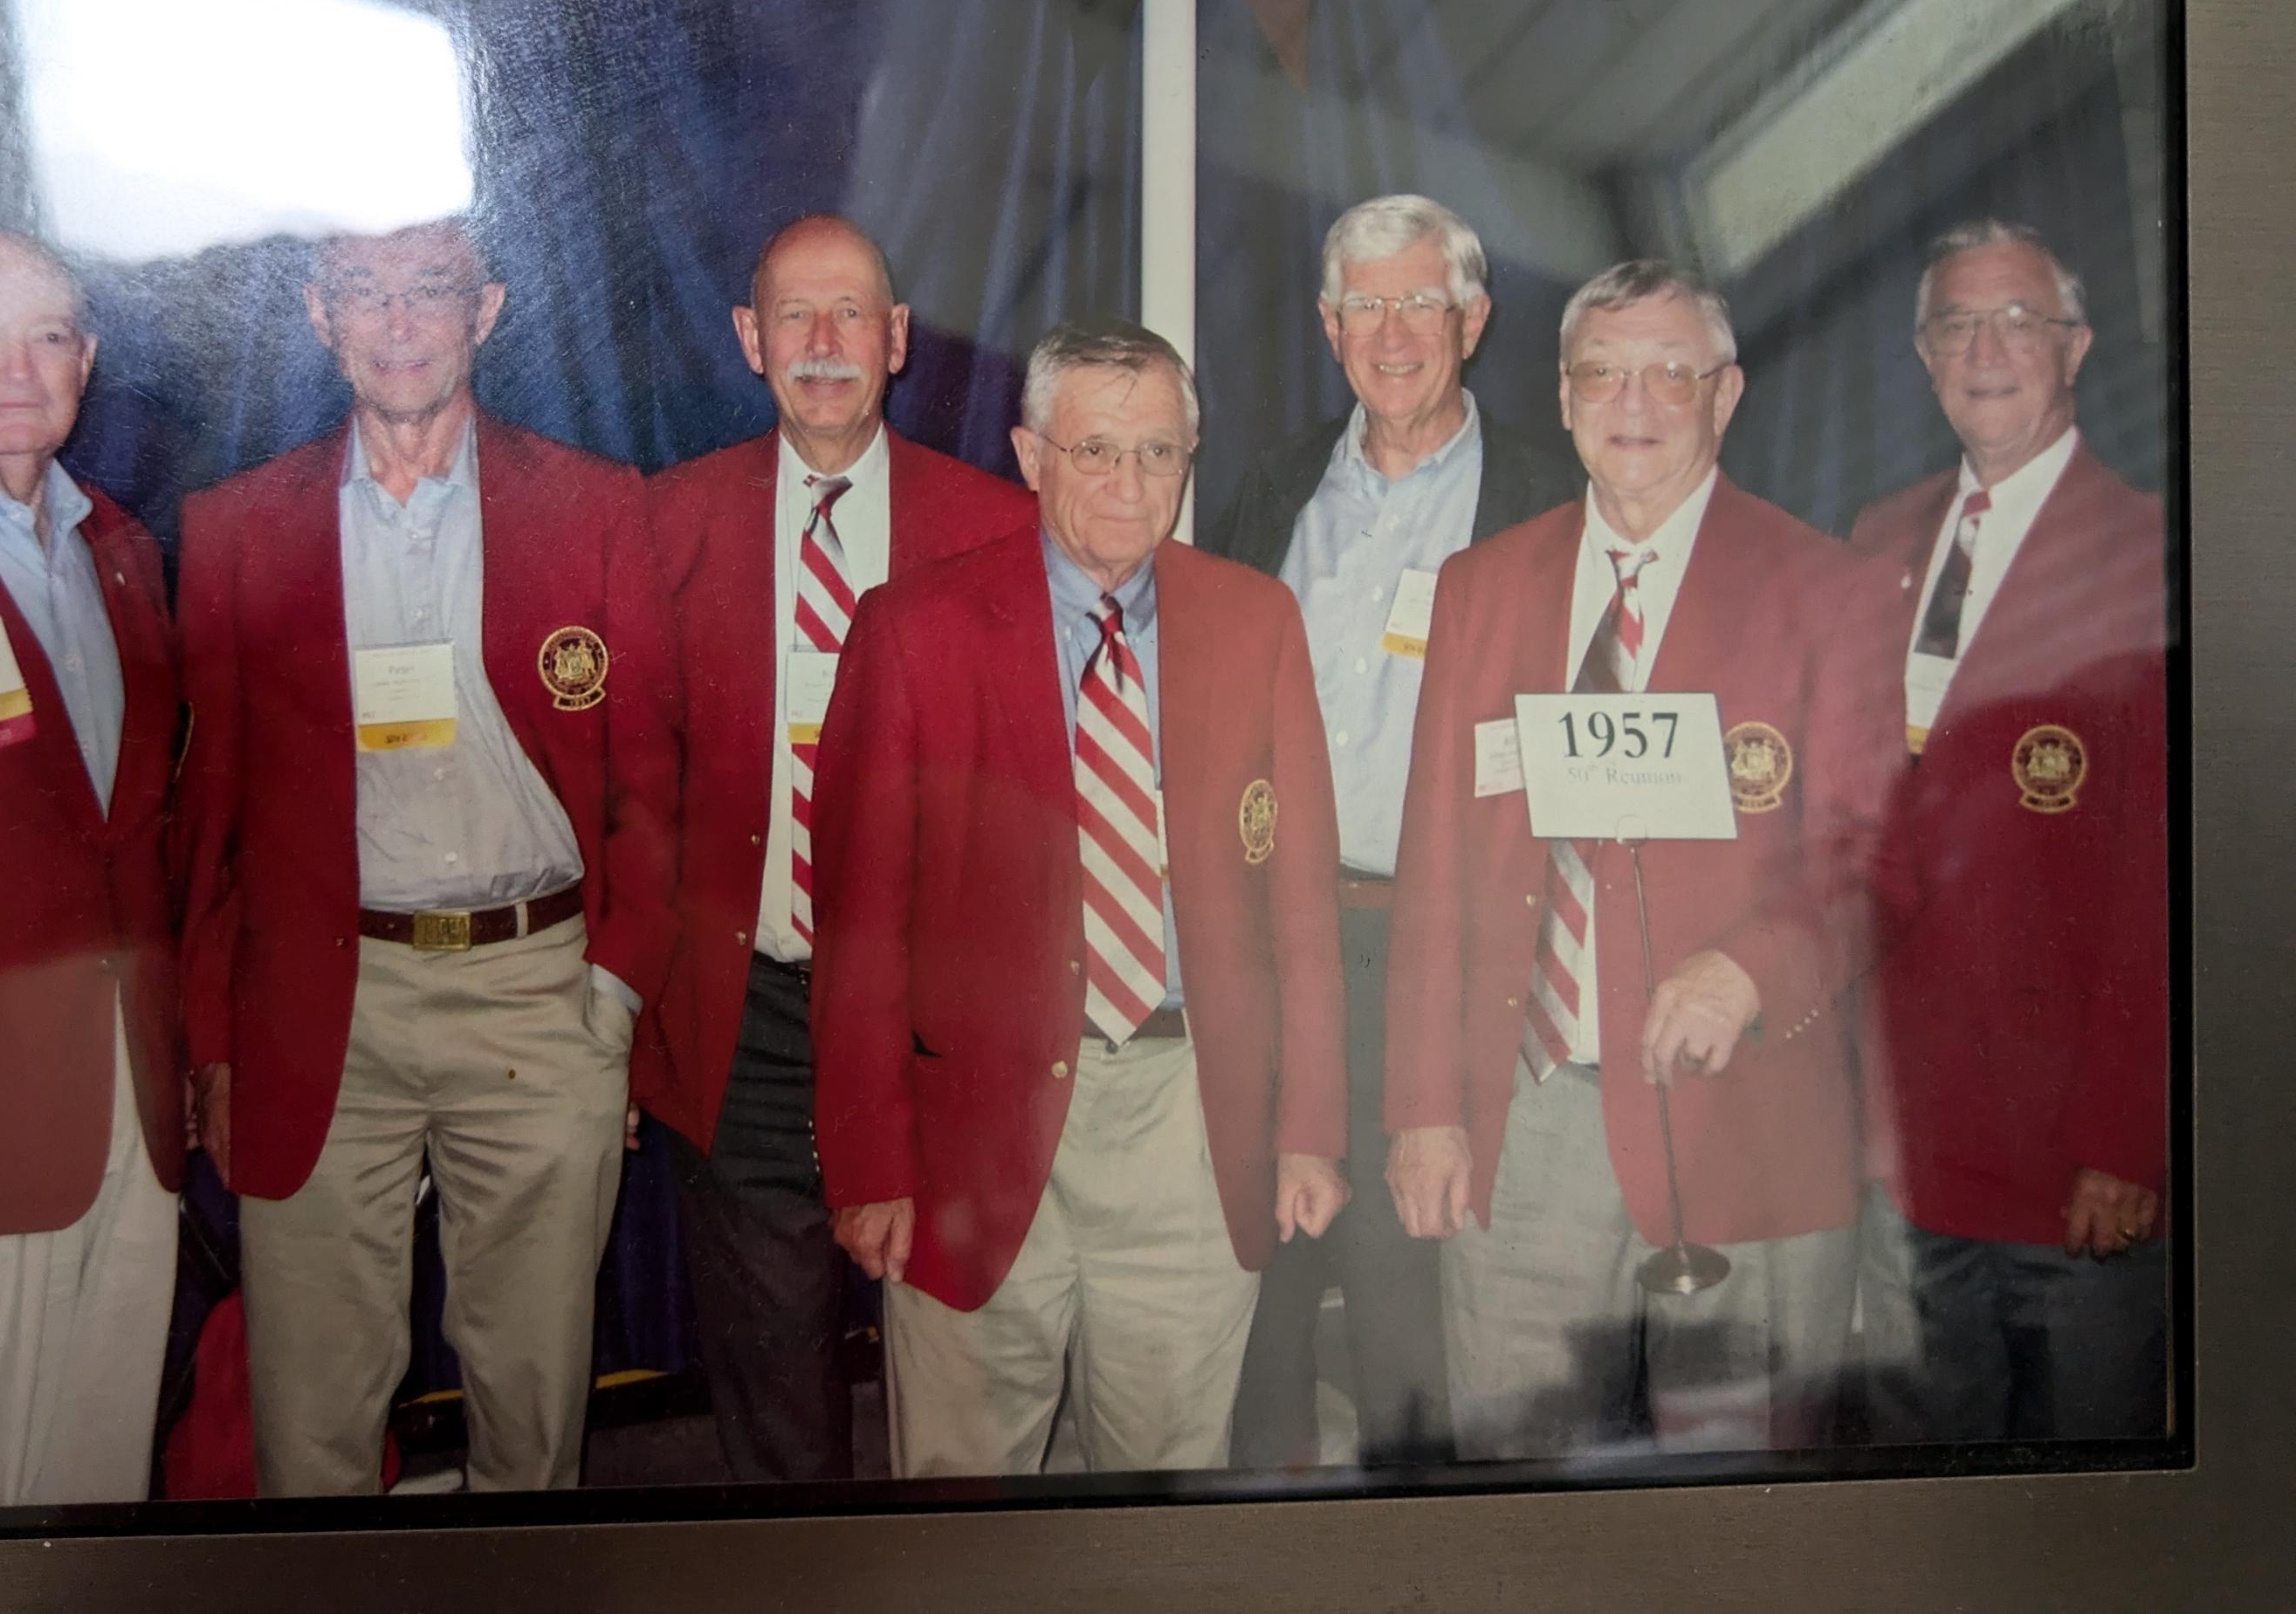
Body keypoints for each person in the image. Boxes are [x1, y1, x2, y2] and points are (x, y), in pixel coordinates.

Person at [175, 216, 677, 1495]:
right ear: (318, 314)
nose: (399, 320)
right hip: (325, 1009)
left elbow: (652, 787)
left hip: (535, 997)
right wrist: (216, 1044)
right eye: (364, 290)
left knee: (532, 1402)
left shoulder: (598, 509)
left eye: (431, 290)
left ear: (488, 309)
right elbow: (211, 815)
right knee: (313, 1413)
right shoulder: (236, 529)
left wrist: (610, 998)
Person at [810, 319, 1350, 1477]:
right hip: (974, 1137)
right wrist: (869, 1170)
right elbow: (860, 936)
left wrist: (1308, 1129)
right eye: (1096, 450)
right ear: (1029, 453)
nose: (1128, 482)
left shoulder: (1255, 622)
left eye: (1159, 453)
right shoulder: (914, 631)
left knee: (1162, 1499)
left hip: (1189, 1124)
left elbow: (1299, 907)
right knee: (964, 1493)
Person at [1382, 261, 1899, 1459]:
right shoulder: (1480, 588)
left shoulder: (1832, 590)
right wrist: (1421, 1111)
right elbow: (1436, 871)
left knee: (1743, 1507)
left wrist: (1752, 972)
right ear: (1562, 398)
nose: (1635, 402)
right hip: (1528, 1120)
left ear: (1726, 396)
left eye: (1672, 373)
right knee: (1520, 1482)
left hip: (1748, 1122)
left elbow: (1885, 858)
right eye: (1604, 373)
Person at [637, 216, 1034, 1481]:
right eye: (793, 317)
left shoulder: (997, 529)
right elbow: (630, 793)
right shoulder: (665, 524)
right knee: (773, 1394)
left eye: (851, 314)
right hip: (744, 1014)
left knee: (958, 1381)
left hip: (936, 1025)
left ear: (899, 339)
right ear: (750, 340)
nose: (822, 344)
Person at [1213, 194, 1578, 1469]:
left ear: (1473, 320)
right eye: (1365, 304)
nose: (1394, 330)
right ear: (1328, 327)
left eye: (1420, 300)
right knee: (1250, 1275)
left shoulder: (1552, 501)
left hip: (1437, 956)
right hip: (1278, 948)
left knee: (1404, 1303)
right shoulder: (1270, 490)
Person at [1849, 220, 2168, 1443]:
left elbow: (2165, 881)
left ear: (2076, 346)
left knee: (2086, 1515)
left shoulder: (2144, 551)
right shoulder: (1882, 537)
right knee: (1937, 1497)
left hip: (2074, 1165)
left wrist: (2126, 1143)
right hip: (1911, 1155)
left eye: (2017, 320)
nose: (1985, 350)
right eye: (1954, 325)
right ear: (1926, 356)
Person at [0, 230, 185, 1507]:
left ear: (87, 360)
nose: (17, 371)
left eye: (47, 337)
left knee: (99, 1486)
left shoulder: (123, 552)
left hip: (131, 1105)